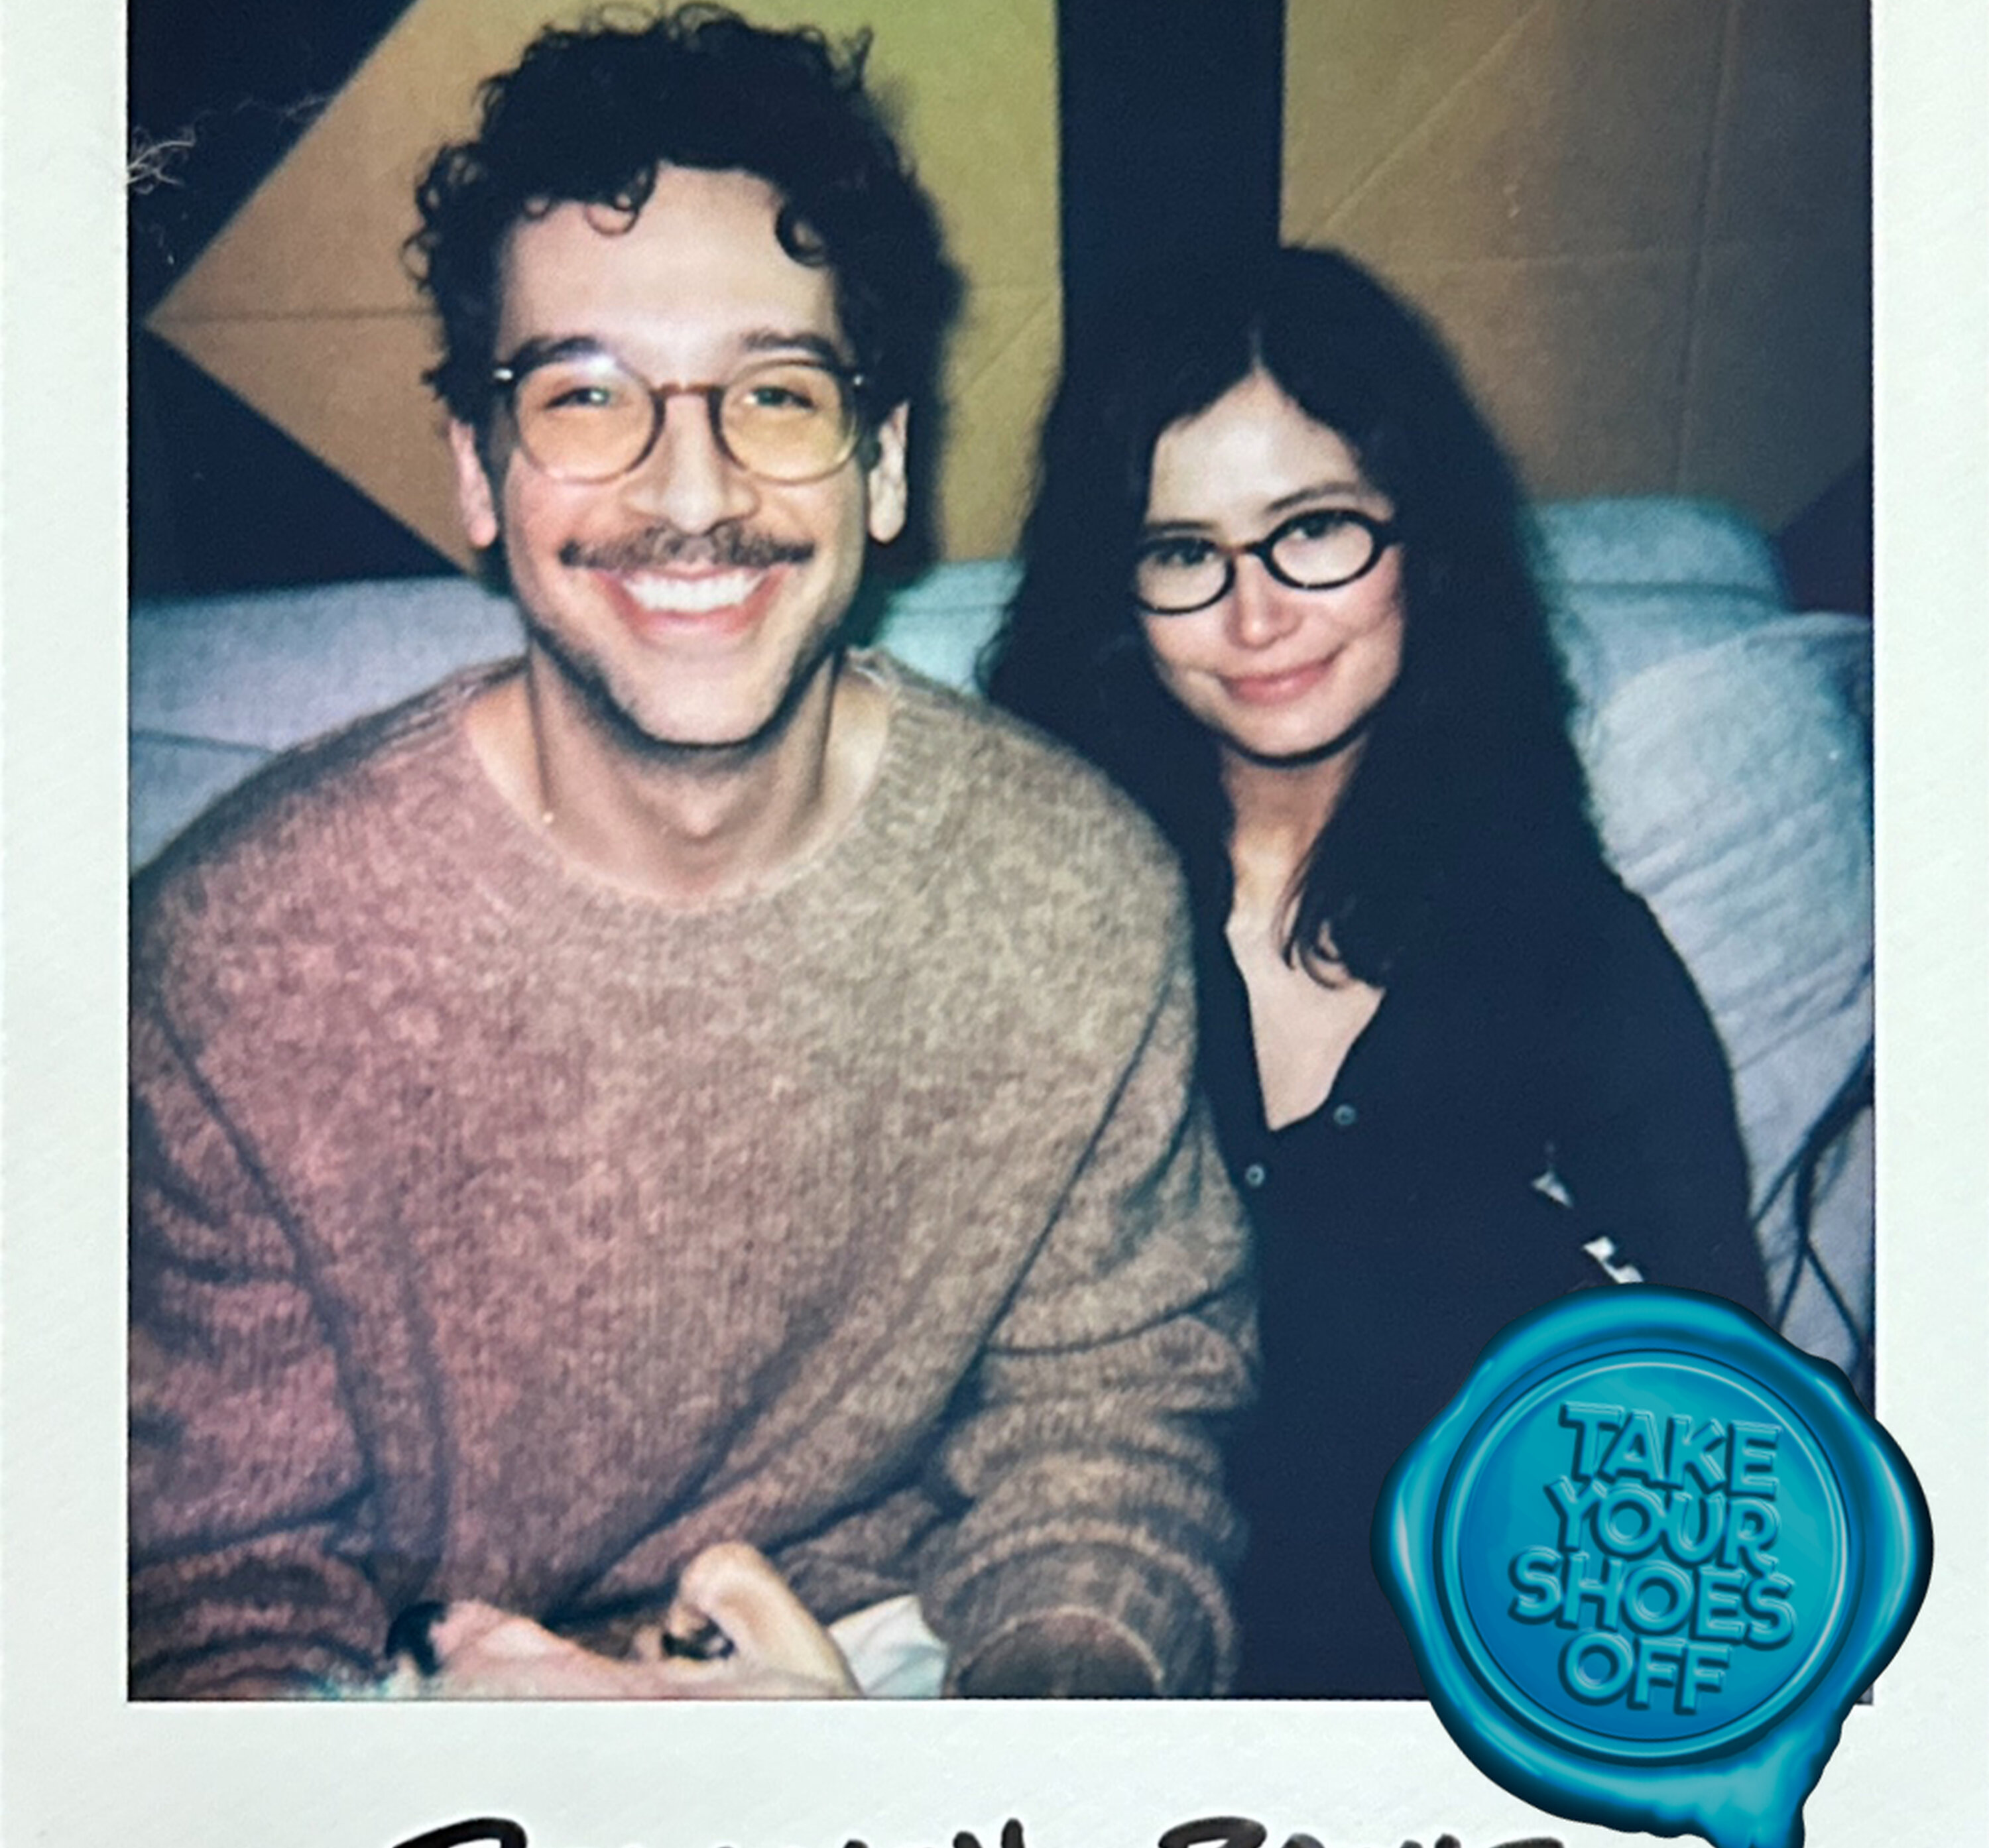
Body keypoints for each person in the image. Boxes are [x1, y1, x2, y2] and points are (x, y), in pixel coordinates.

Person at [127, 6, 1255, 1702]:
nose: (692, 488)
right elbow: (206, 1584)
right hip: (417, 1709)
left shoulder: (1079, 897)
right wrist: (401, 1769)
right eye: (587, 395)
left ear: (883, 466)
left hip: (907, 1665)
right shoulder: (236, 962)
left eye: (776, 394)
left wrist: (1007, 1756)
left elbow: (1114, 1430)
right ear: (479, 472)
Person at [986, 247, 1768, 1698]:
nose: (1256, 617)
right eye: (1184, 554)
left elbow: (1715, 1424)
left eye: (1315, 531)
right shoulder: (1033, 909)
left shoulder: (1568, 948)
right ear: (1116, 592)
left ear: (1425, 541)